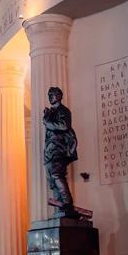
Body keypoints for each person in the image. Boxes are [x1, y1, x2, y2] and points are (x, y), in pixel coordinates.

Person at [43, 86, 79, 217]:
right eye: (49, 95)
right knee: (52, 180)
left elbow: (64, 126)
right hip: (49, 150)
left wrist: (47, 122)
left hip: (60, 148)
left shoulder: (64, 111)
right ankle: (60, 207)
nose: (50, 97)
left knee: (56, 174)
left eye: (52, 94)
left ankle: (67, 202)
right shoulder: (51, 112)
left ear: (59, 96)